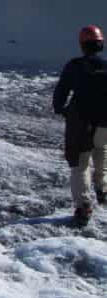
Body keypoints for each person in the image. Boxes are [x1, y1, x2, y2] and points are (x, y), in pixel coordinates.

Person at [53, 25, 107, 229]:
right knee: (102, 149)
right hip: (104, 122)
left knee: (80, 164)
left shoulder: (74, 66)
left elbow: (61, 91)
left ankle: (84, 207)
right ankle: (103, 189)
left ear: (82, 45)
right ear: (101, 44)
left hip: (81, 123)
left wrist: (61, 109)